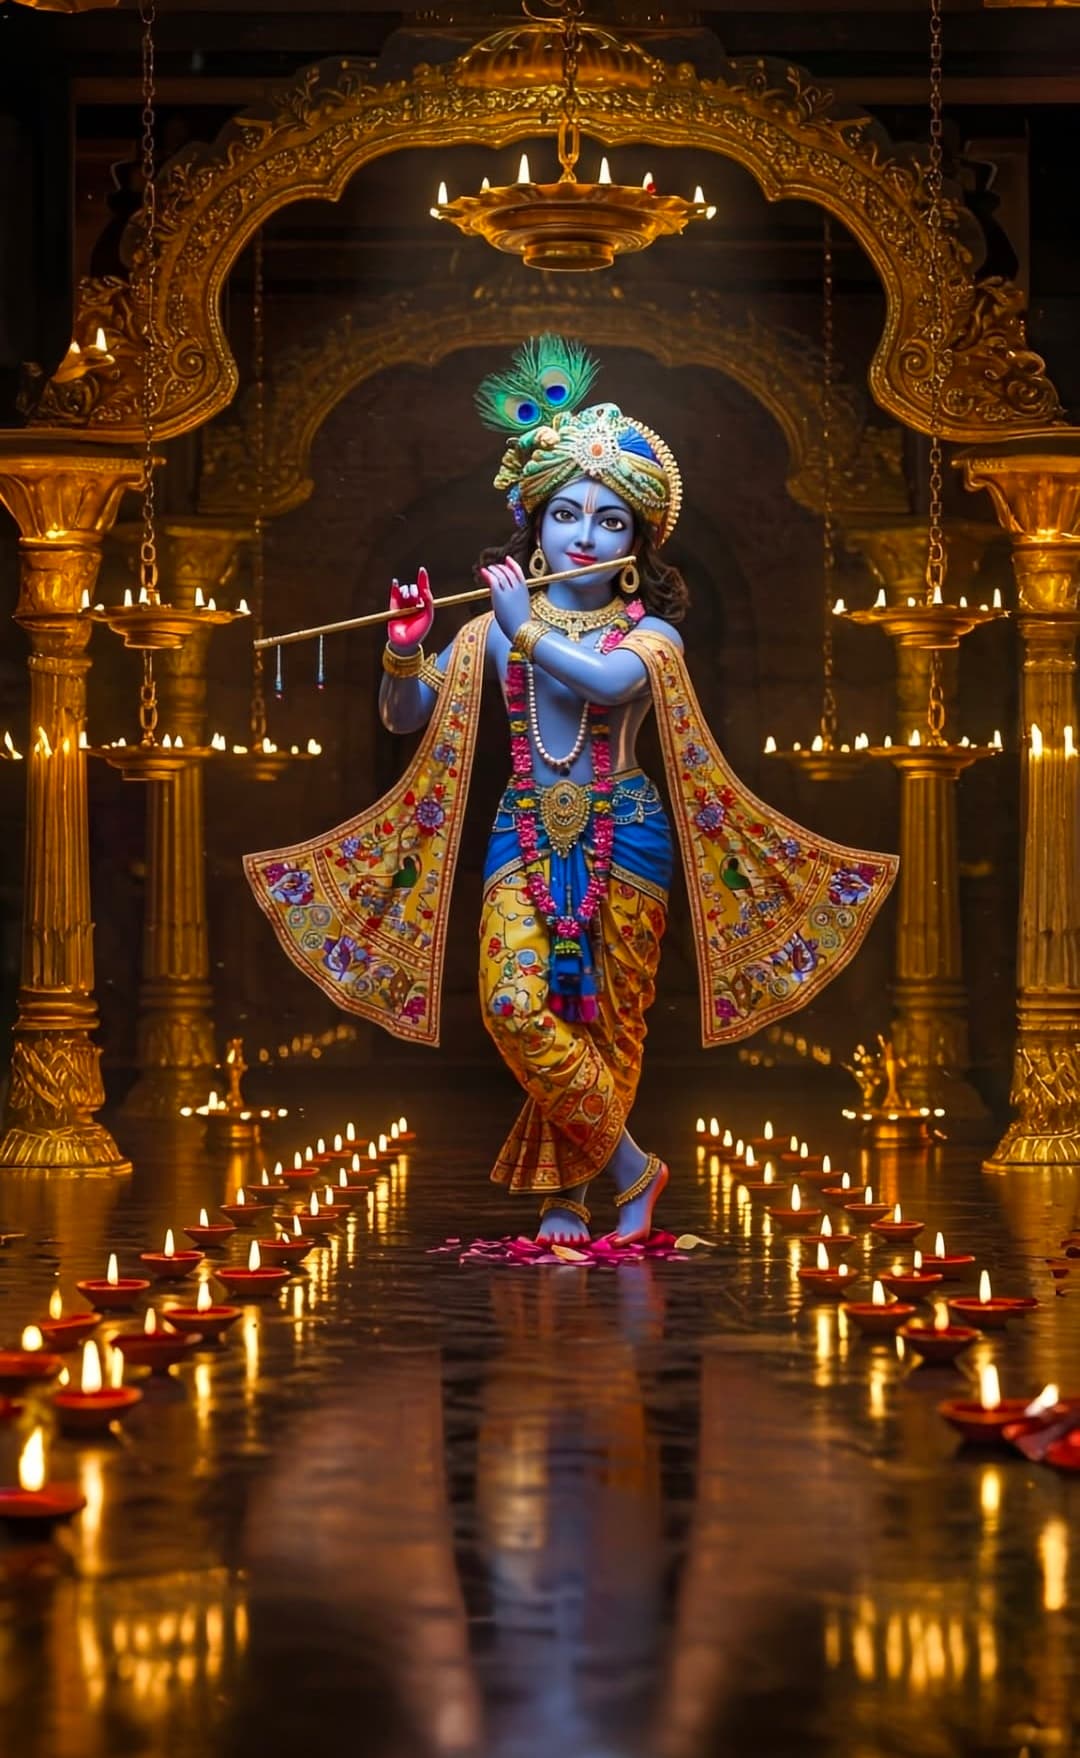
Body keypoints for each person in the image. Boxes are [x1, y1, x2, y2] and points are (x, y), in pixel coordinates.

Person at [245, 338, 897, 1248]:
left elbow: (601, 686)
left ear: (637, 545)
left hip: (627, 837)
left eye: (610, 521)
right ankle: (636, 1169)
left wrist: (518, 628)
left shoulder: (652, 636)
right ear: (534, 527)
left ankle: (568, 1201)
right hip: (522, 835)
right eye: (564, 515)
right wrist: (404, 644)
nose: (583, 536)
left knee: (604, 1026)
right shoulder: (483, 635)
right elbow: (404, 719)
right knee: (515, 1003)